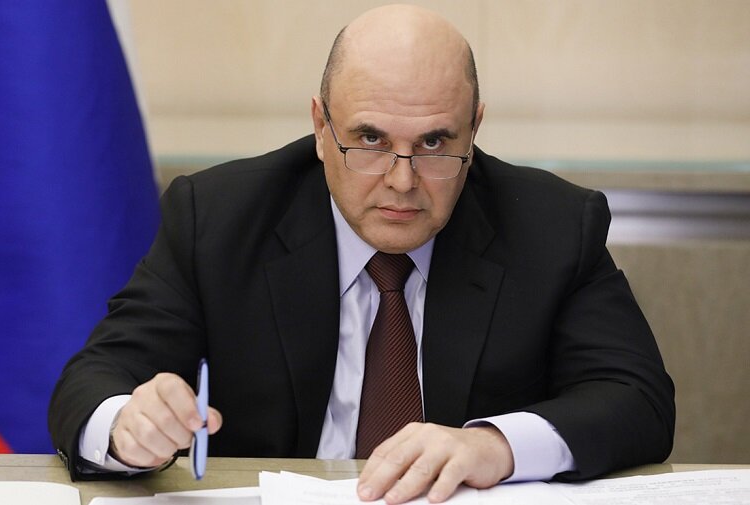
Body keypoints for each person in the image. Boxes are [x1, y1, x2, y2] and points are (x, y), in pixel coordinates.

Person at [48, 4, 674, 504]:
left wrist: (494, 445)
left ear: (475, 128)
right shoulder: (218, 218)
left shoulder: (551, 226)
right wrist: (128, 426)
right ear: (321, 127)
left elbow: (637, 399)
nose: (402, 180)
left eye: (435, 143)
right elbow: (92, 381)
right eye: (369, 139)